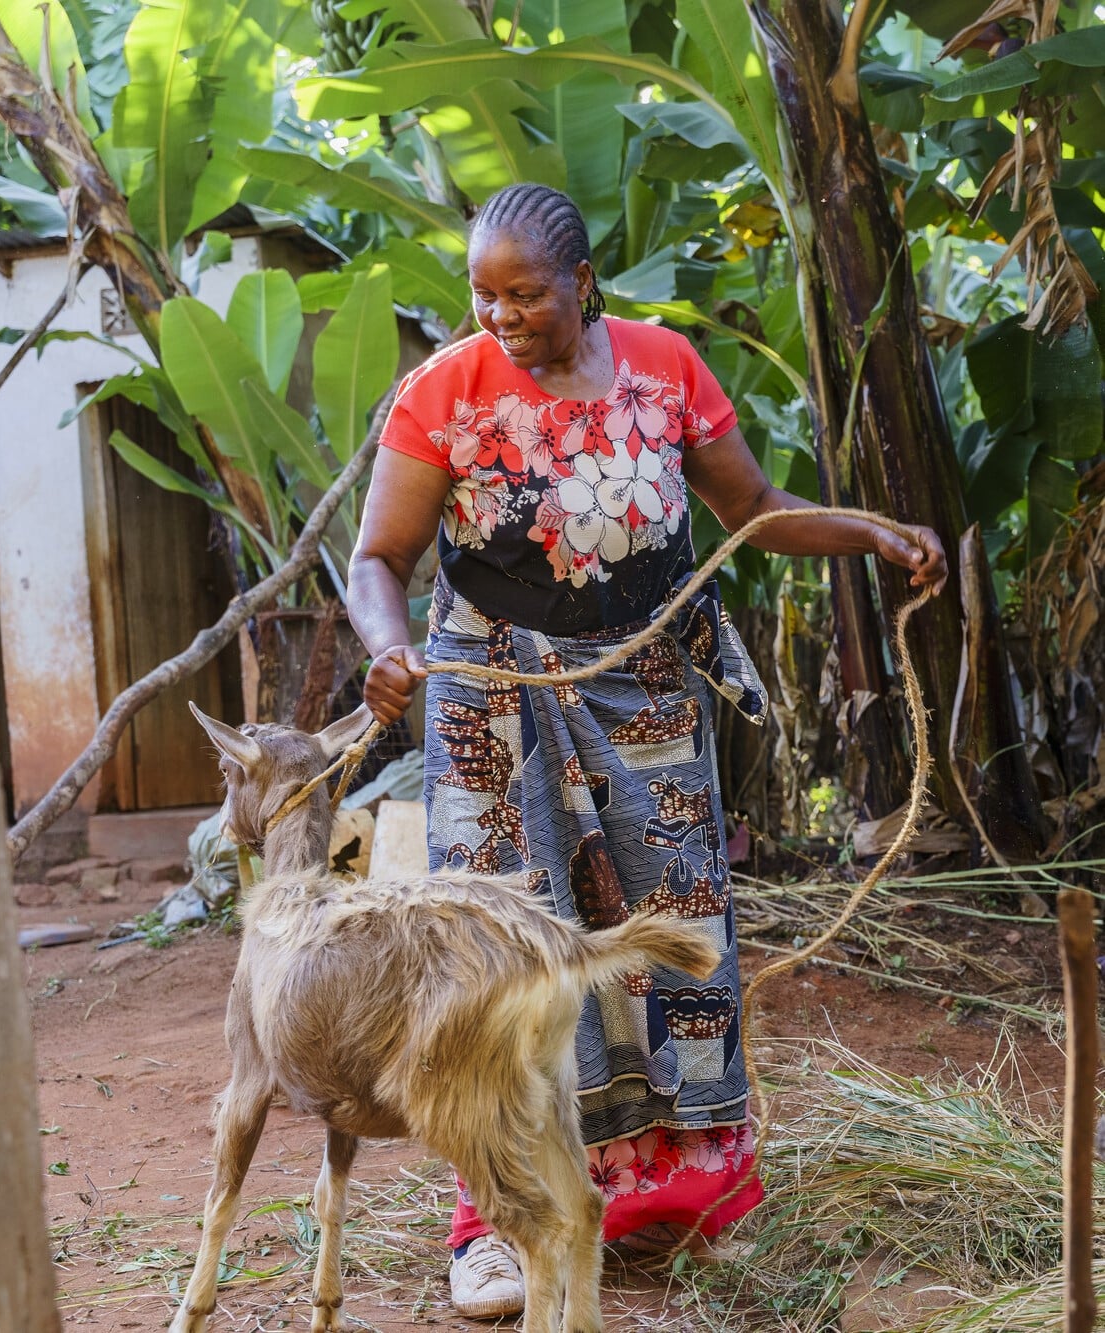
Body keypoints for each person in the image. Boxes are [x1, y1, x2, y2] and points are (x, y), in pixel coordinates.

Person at [347, 183, 948, 1320]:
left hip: (647, 692)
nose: (500, 315)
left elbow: (754, 505)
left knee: (672, 934)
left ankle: (676, 1199)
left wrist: (865, 531)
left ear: (583, 284)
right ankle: (497, 1223)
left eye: (525, 293)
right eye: (482, 292)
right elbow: (378, 556)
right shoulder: (445, 389)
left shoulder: (665, 369)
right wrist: (386, 648)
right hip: (491, 698)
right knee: (505, 950)